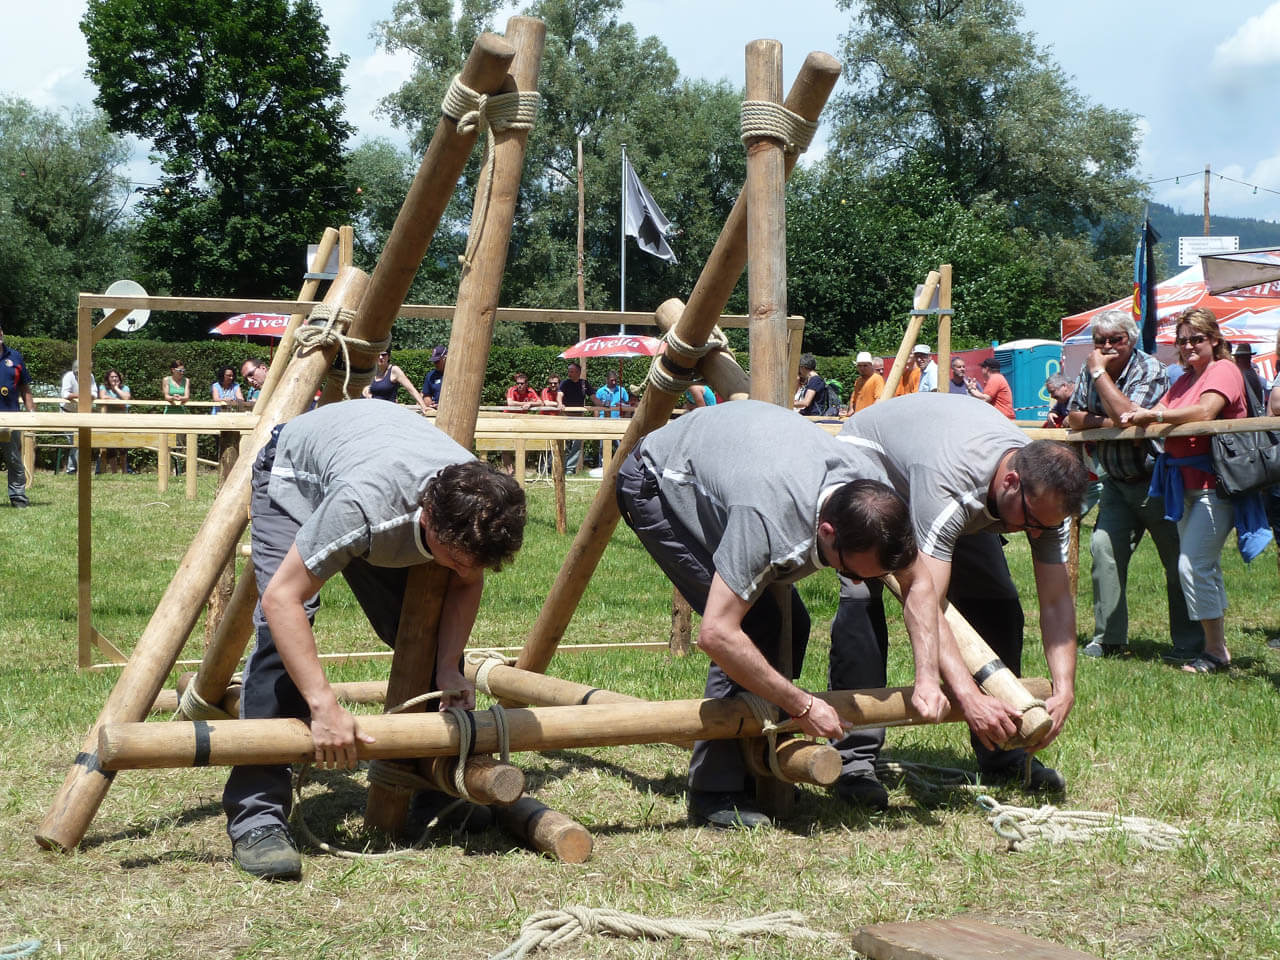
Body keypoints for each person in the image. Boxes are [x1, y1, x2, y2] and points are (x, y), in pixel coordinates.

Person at [222, 398, 526, 880]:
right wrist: (323, 707)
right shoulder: (363, 509)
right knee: (286, 630)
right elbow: (283, 598)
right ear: (428, 520)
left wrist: (449, 666)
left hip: (372, 466)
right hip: (296, 475)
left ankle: (433, 783)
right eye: (458, 557)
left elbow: (467, 579)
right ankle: (257, 816)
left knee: (420, 634)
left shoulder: (476, 504)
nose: (468, 570)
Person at [616, 400, 947, 829]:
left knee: (790, 625)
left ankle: (753, 760)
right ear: (826, 532)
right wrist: (803, 704)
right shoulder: (767, 521)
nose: (862, 582)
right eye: (850, 571)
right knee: (756, 626)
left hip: (740, 460)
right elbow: (716, 634)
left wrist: (927, 676)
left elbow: (919, 582)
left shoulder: (876, 495)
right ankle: (714, 792)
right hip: (657, 480)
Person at [832, 393, 1087, 806]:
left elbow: (1057, 602)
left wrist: (1065, 687)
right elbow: (928, 602)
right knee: (862, 598)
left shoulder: (1043, 505)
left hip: (951, 486)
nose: (1037, 534)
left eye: (1046, 525)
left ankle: (1001, 748)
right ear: (1011, 482)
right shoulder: (952, 482)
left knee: (999, 602)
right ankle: (854, 759)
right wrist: (968, 696)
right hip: (873, 469)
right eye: (1033, 523)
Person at [1121, 307, 1268, 675]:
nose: (1188, 346)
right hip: (1184, 485)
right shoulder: (1186, 378)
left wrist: (1151, 417)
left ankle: (1215, 652)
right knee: (1203, 566)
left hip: (1213, 487)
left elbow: (1205, 411)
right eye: (1182, 340)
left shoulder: (1223, 370)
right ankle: (1216, 646)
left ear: (1215, 340)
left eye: (1196, 339)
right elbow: (1159, 408)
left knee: (1193, 565)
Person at [1065, 310, 1195, 661]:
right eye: (1100, 341)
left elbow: (1133, 418)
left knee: (1178, 562)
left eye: (1115, 340)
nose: (1106, 347)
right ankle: (1109, 639)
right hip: (1115, 482)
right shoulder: (1088, 368)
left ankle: (1190, 643)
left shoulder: (1149, 369)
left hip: (1158, 482)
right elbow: (1074, 416)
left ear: (1131, 340)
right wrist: (1112, 423)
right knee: (1104, 551)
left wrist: (1098, 376)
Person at [0, 323, 34, 507]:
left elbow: (25, 388)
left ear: (2, 334)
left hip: (11, 417)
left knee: (13, 458)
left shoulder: (15, 357)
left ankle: (18, 497)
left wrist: (32, 414)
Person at [363, 349, 432, 416]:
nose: (381, 357)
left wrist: (424, 407)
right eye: (378, 354)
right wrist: (366, 393)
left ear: (389, 356)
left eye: (383, 354)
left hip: (389, 413)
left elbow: (411, 389)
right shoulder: (372, 371)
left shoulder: (394, 370)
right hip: (373, 412)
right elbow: (364, 389)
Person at [60, 360, 97, 473]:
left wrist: (88, 396)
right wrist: (84, 395)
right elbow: (65, 394)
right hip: (67, 413)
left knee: (80, 442)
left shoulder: (90, 376)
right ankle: (76, 469)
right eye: (79, 372)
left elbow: (94, 392)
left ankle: (73, 469)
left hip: (82, 413)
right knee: (75, 442)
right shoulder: (68, 376)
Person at [97, 369, 132, 474]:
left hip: (123, 421)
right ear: (108, 378)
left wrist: (116, 389)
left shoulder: (125, 388)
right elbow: (103, 397)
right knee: (110, 447)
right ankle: (114, 472)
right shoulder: (103, 387)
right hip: (108, 420)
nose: (114, 378)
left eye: (116, 376)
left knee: (123, 447)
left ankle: (125, 471)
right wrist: (117, 400)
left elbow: (126, 399)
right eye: (112, 377)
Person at [559, 362, 592, 474]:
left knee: (577, 443)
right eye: (569, 371)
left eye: (572, 371)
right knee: (564, 444)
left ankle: (568, 469)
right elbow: (560, 395)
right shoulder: (565, 383)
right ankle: (560, 467)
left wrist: (602, 404)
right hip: (566, 417)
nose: (569, 373)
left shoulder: (584, 383)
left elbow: (593, 396)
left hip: (579, 417)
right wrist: (560, 404)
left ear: (578, 372)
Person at [1232, 342, 1265, 416]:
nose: (1236, 360)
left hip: (1249, 415)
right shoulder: (1250, 373)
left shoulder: (1246, 375)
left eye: (1238, 357)